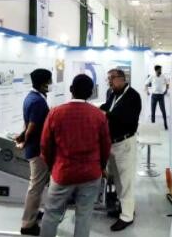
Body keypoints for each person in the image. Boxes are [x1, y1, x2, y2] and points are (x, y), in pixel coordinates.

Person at [40, 74, 111, 237]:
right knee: (84, 215)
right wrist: (101, 167)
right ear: (91, 93)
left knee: (51, 214)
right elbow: (105, 146)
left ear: (71, 89)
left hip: (62, 172)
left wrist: (51, 167)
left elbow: (45, 145)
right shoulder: (99, 115)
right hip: (91, 173)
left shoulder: (55, 113)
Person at [100, 69, 142, 231]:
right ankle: (125, 208)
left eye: (112, 78)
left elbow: (124, 118)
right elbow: (106, 107)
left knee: (126, 181)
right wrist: (97, 110)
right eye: (108, 79)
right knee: (117, 179)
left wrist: (104, 114)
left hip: (124, 143)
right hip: (112, 143)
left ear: (122, 79)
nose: (109, 82)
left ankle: (127, 217)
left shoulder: (133, 96)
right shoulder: (113, 94)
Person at [16, 69, 52, 236]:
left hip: (35, 147)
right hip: (38, 149)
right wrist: (24, 139)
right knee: (36, 187)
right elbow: (32, 126)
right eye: (49, 81)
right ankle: (28, 224)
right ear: (43, 83)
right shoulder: (37, 101)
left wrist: (22, 136)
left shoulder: (31, 97)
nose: (51, 84)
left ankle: (33, 213)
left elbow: (29, 123)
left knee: (37, 185)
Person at [147, 65, 168, 129]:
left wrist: (166, 90)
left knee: (163, 110)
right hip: (154, 96)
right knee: (153, 111)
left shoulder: (163, 76)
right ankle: (153, 125)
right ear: (156, 70)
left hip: (161, 96)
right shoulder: (152, 76)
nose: (161, 70)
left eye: (161, 69)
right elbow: (146, 83)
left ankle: (165, 124)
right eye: (160, 69)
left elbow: (167, 83)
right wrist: (147, 91)